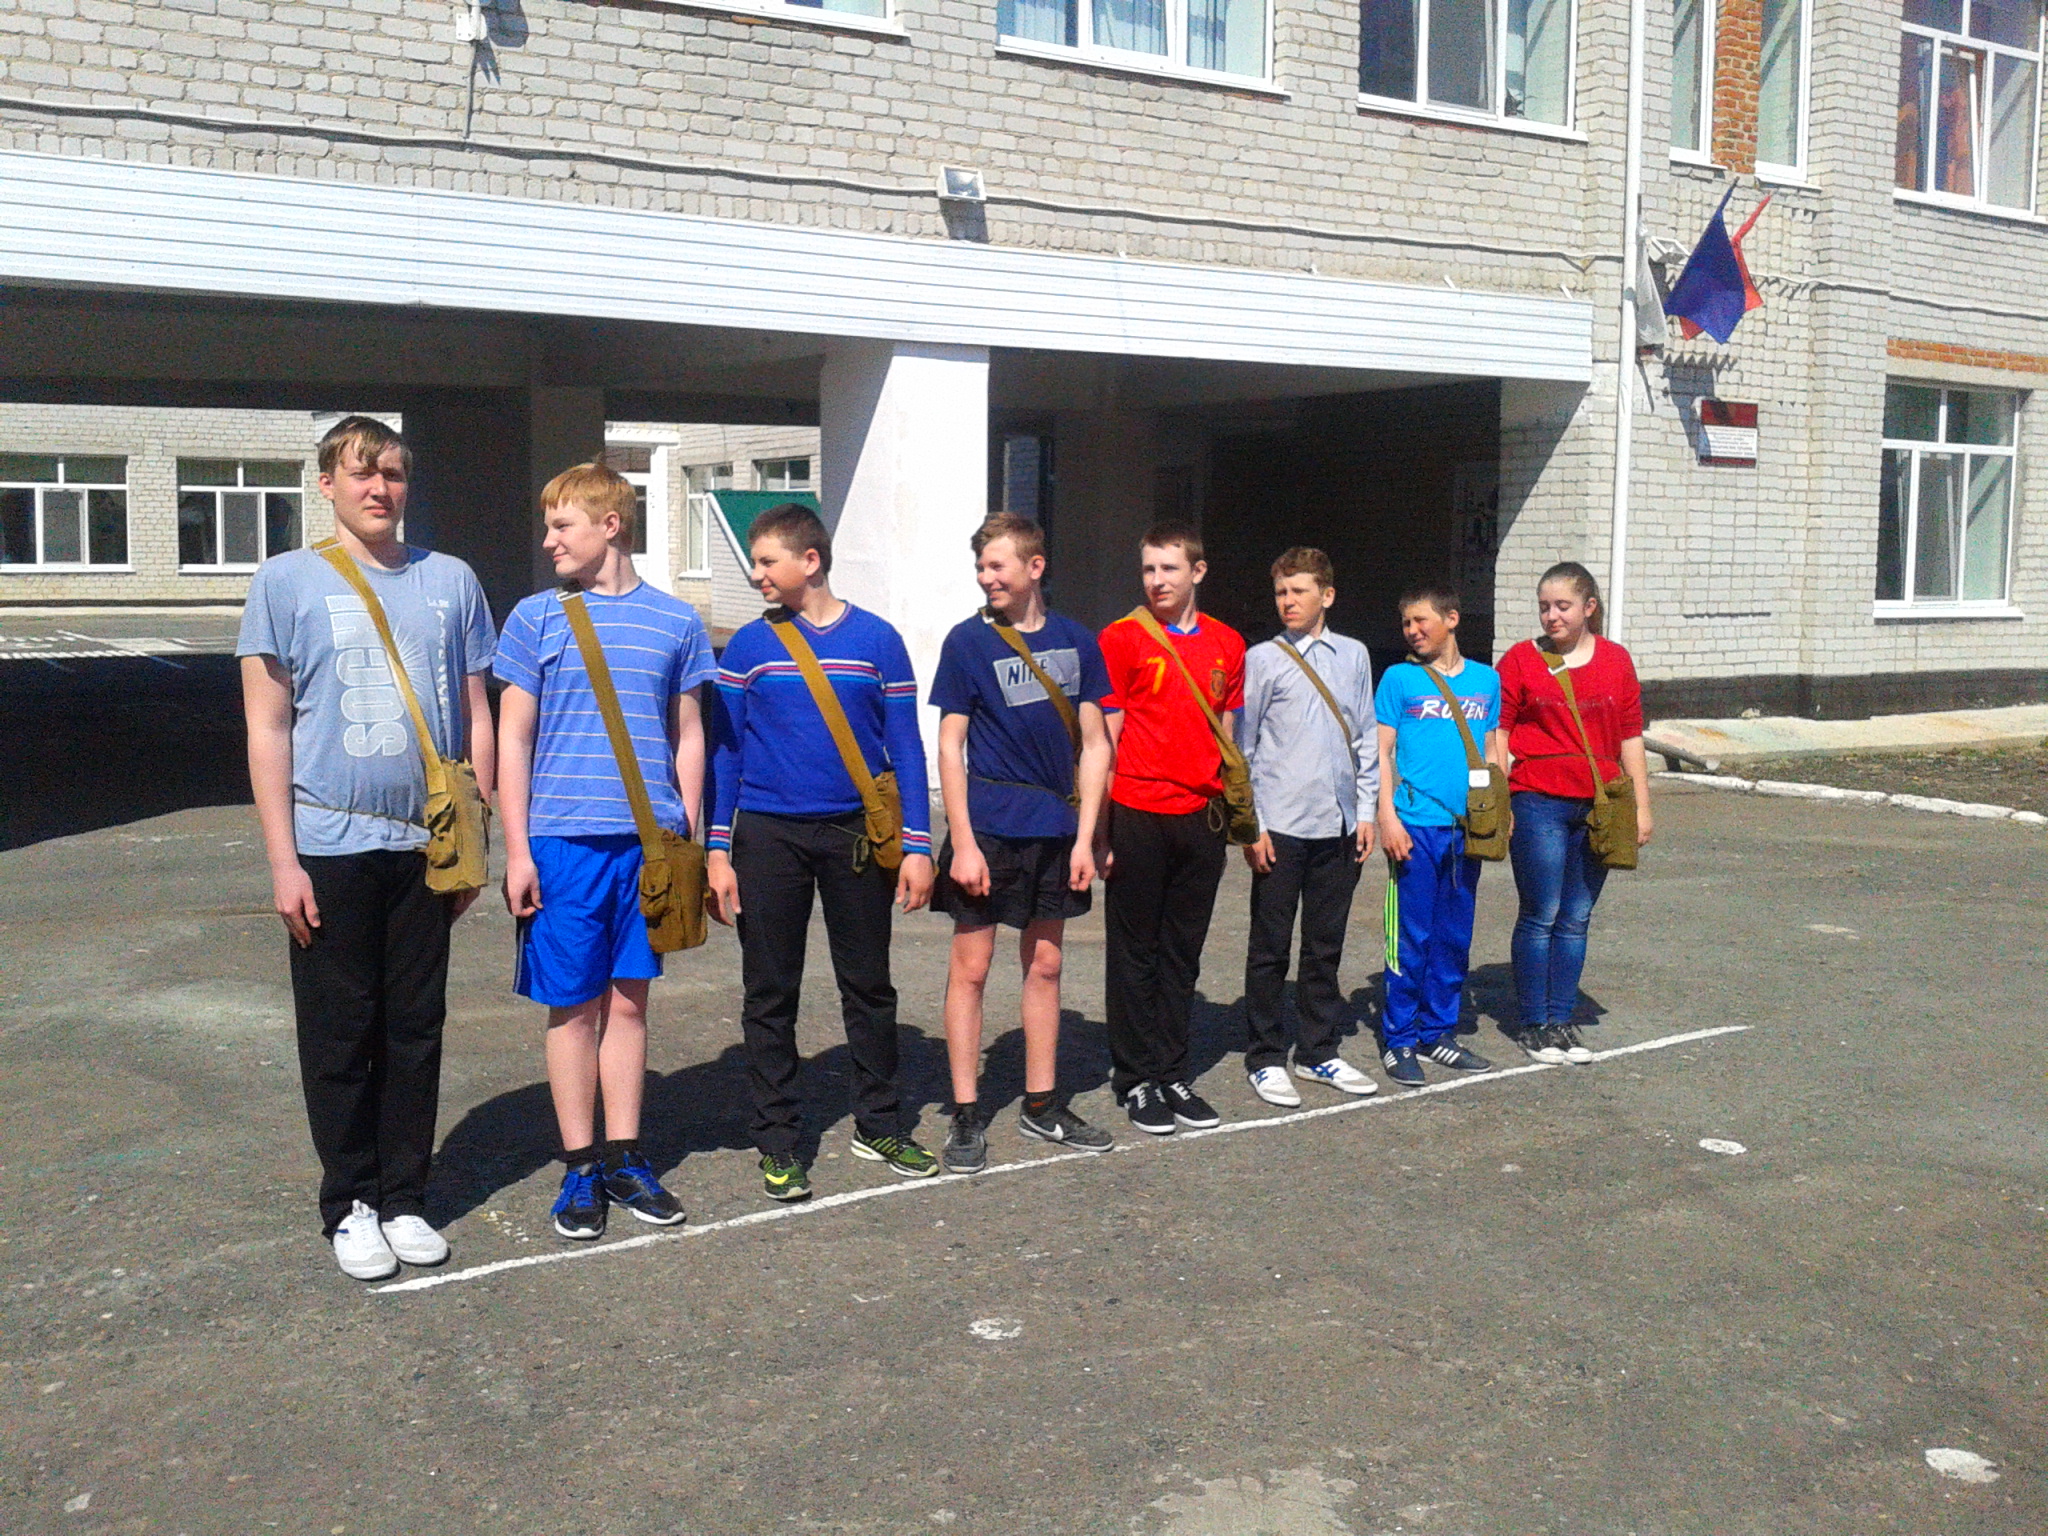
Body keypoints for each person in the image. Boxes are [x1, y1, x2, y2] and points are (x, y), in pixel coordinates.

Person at [238, 415, 497, 1281]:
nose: (380, 489)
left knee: (416, 1027)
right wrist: (283, 861)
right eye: (362, 473)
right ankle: (350, 1200)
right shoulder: (285, 581)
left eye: (392, 473)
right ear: (328, 485)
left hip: (425, 841)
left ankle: (404, 1197)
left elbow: (476, 713)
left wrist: (476, 836)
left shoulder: (451, 580)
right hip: (328, 843)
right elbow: (268, 727)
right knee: (340, 1031)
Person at [494, 462, 715, 1240]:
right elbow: (513, 739)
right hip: (562, 843)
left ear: (611, 525)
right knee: (573, 1006)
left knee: (628, 1002)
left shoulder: (677, 622)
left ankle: (624, 1157)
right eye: (549, 525)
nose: (548, 540)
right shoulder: (535, 618)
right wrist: (517, 850)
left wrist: (686, 835)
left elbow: (690, 734)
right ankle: (580, 1166)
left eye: (562, 525)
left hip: (648, 849)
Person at [705, 503, 937, 1200]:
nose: (756, 574)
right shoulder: (747, 647)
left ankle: (880, 1123)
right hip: (767, 836)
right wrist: (717, 849)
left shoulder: (879, 641)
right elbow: (725, 753)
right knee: (770, 991)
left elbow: (906, 745)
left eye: (767, 561)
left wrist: (918, 846)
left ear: (810, 560)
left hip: (855, 837)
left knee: (868, 985)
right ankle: (777, 1140)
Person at [930, 514, 1117, 1173]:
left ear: (1035, 567)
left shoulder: (1077, 641)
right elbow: (949, 748)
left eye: (998, 566)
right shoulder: (966, 642)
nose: (987, 577)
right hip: (989, 830)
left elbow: (1096, 745)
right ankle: (965, 1113)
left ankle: (1042, 1104)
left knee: (1045, 966)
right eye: (981, 567)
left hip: (1057, 833)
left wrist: (1087, 838)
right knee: (971, 969)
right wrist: (965, 844)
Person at [1096, 521, 1246, 1136]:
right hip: (1137, 811)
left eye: (1169, 569)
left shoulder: (1228, 644)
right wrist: (1099, 830)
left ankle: (1172, 1070)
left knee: (1183, 952)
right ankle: (1135, 1078)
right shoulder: (1121, 638)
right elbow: (1104, 738)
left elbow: (1228, 734)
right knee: (1135, 952)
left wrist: (1236, 810)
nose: (1157, 580)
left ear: (1198, 572)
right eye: (1149, 569)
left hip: (1201, 818)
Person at [1236, 548, 1380, 1106]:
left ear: (1328, 595)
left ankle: (1318, 1051)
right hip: (1280, 826)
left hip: (1338, 824)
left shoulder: (1354, 655)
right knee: (1269, 947)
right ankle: (1265, 1056)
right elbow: (1245, 747)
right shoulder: (1262, 659)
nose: (1288, 602)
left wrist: (1364, 811)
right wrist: (1253, 825)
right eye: (1281, 592)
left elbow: (1364, 735)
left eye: (1299, 591)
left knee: (1324, 946)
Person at [1496, 561, 1653, 1065]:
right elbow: (1499, 731)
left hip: (1599, 806)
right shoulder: (1521, 660)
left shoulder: (1616, 660)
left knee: (1577, 917)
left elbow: (1630, 736)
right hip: (1536, 799)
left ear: (1589, 607)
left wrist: (1641, 807)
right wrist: (1499, 797)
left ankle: (1562, 1020)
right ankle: (1534, 1024)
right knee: (1541, 912)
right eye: (1544, 607)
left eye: (1562, 606)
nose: (1551, 616)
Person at [1372, 582, 1501, 1088]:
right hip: (1414, 826)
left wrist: (1498, 811)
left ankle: (1437, 1032)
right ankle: (1400, 1038)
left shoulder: (1486, 681)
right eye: (1406, 623)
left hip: (1466, 829)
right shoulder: (1399, 679)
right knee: (1411, 937)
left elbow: (1491, 752)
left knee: (1453, 936)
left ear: (1451, 619)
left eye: (1421, 620)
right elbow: (1381, 753)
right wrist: (1387, 816)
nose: (1412, 630)